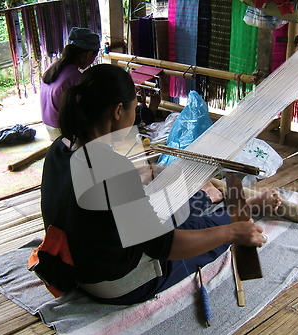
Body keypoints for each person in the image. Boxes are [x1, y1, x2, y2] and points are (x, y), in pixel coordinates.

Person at [40, 64, 281, 305]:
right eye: (135, 108)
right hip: (117, 285)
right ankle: (244, 211)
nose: (136, 114)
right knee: (199, 229)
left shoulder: (59, 149)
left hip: (77, 268)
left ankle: (207, 197)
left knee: (173, 210)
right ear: (117, 111)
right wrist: (231, 233)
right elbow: (165, 246)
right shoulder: (112, 168)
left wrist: (143, 173)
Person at [40, 27, 100, 141]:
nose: (92, 60)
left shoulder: (53, 68)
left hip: (50, 128)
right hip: (63, 131)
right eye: (94, 57)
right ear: (88, 54)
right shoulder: (74, 77)